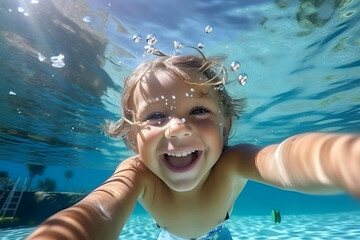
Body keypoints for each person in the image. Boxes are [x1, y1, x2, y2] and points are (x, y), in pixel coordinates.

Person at [26, 54, 360, 240]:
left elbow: (284, 160)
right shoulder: (137, 173)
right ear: (133, 139)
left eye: (199, 111)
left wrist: (345, 160)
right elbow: (100, 209)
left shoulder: (233, 163)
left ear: (224, 127)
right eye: (155, 116)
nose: (178, 127)